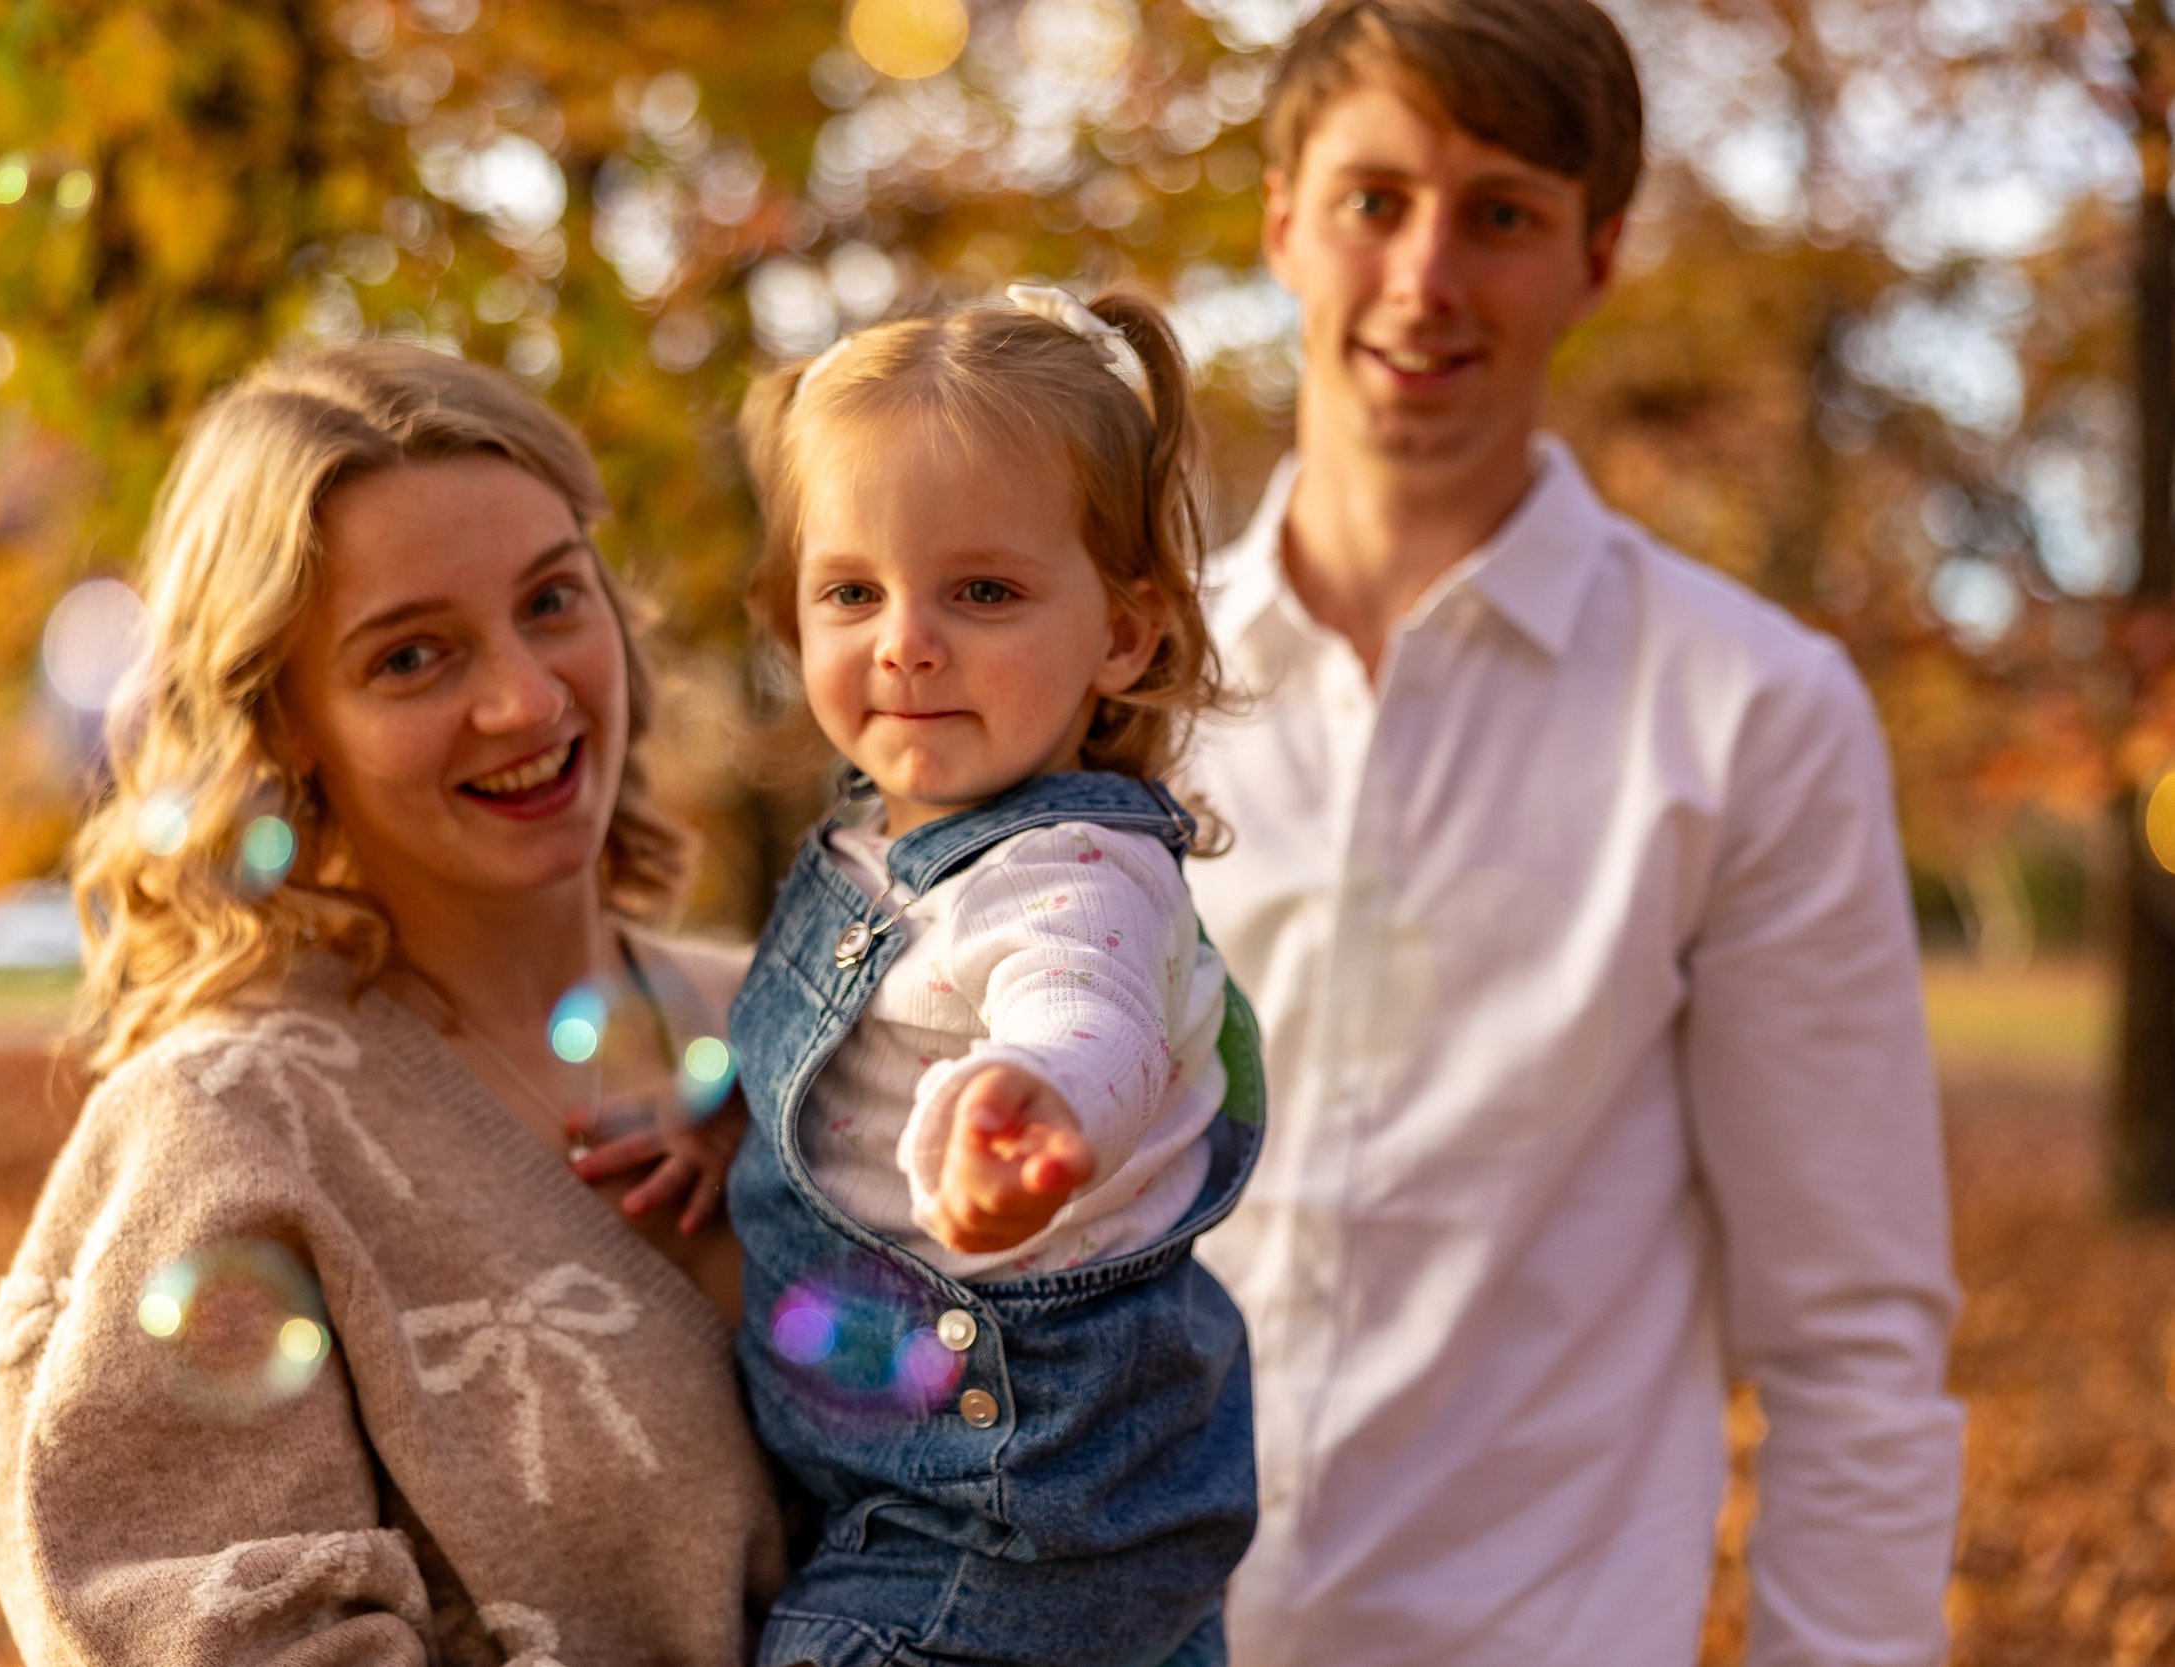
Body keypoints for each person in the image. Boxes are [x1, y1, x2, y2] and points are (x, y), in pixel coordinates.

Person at [1179, 3, 1965, 1663]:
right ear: (1280, 218)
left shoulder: (1751, 713)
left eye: (1504, 214)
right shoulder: (1108, 693)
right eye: (1374, 200)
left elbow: (1852, 1348)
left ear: (1598, 257)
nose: (1425, 277)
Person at [0, 343, 784, 1666]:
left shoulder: (798, 1022)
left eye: (552, 601)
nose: (524, 697)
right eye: (412, 657)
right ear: (283, 721)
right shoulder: (222, 1129)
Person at [722, 286, 1266, 1667]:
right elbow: (841, 1069)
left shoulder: (1069, 869)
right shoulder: (872, 841)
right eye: (854, 591)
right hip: (906, 1470)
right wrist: (714, 1135)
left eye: (984, 592)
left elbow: (1090, 1011)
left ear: (1125, 636)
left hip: (1014, 1509)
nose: (906, 638)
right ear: (790, 620)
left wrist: (1037, 1102)